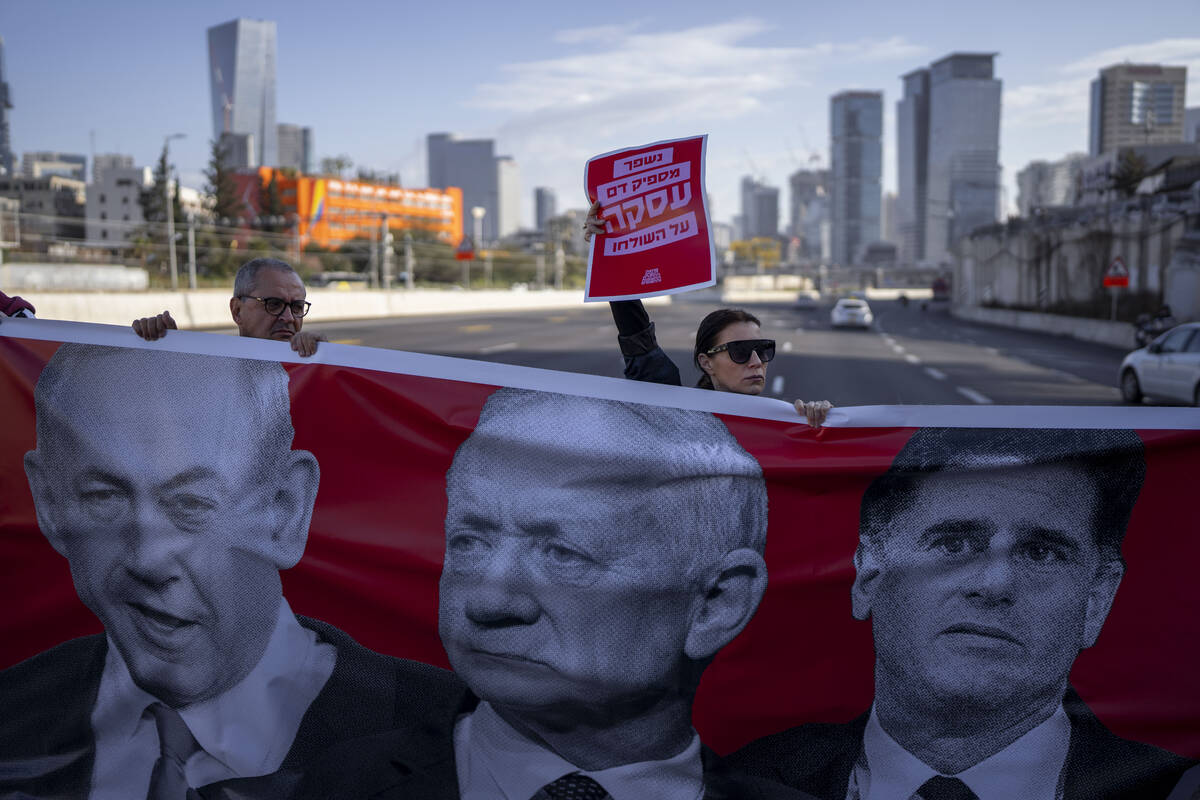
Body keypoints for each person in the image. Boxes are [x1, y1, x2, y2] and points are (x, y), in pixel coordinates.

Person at [297, 388, 815, 799]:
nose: (488, 602)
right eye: (470, 542)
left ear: (716, 604)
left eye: (563, 554)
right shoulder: (321, 785)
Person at [0, 343, 462, 799]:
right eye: (104, 497)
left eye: (191, 504)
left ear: (285, 510)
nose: (147, 559)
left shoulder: (459, 734)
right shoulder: (11, 713)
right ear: (49, 503)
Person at [725, 427, 1197, 800]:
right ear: (870, 573)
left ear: (1098, 598)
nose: (993, 585)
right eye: (952, 544)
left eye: (1042, 553)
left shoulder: (1176, 790)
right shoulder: (737, 783)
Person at [584, 201, 832, 427]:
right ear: (706, 363)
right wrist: (607, 247)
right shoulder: (677, 419)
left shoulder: (788, 424)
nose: (757, 361)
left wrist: (824, 426)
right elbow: (638, 339)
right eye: (740, 351)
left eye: (763, 349)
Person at [131, 257, 326, 357]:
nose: (289, 317)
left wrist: (326, 359)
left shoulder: (319, 368)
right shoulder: (209, 370)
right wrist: (159, 352)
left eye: (297, 307)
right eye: (274, 304)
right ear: (237, 311)